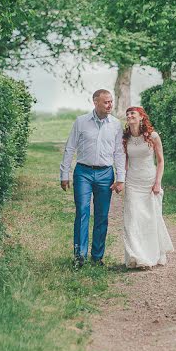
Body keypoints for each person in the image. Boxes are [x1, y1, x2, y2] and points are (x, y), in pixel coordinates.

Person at [60, 90, 126, 268]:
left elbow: (119, 152)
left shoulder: (116, 125)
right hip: (83, 172)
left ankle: (97, 257)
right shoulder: (81, 121)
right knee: (82, 212)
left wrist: (121, 178)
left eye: (111, 102)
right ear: (95, 102)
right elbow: (70, 147)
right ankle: (79, 256)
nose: (110, 105)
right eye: (106, 102)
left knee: (102, 215)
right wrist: (64, 174)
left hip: (106, 174)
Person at [122, 106, 173, 268]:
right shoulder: (125, 138)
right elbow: (124, 162)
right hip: (132, 182)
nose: (129, 116)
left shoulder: (153, 136)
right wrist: (120, 180)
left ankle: (158, 253)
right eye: (127, 114)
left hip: (149, 182)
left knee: (152, 217)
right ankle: (136, 256)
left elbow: (161, 161)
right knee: (132, 219)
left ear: (141, 117)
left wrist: (158, 182)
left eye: (133, 113)